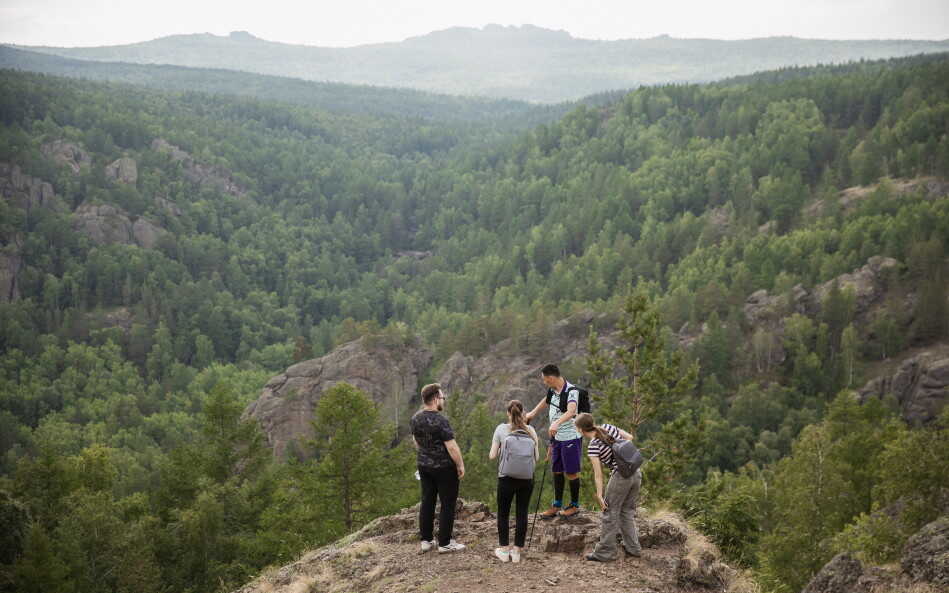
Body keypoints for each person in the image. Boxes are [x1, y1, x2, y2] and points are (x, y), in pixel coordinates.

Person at [573, 412, 642, 561]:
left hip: (621, 477)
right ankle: (634, 548)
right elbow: (629, 438)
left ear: (580, 430)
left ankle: (605, 552)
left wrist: (599, 495)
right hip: (636, 472)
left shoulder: (593, 446)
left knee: (610, 512)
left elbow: (598, 475)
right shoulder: (607, 427)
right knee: (626, 511)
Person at [410, 383, 466, 553]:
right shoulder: (441, 420)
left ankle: (426, 541)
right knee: (447, 504)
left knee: (427, 501)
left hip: (424, 466)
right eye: (442, 398)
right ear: (435, 399)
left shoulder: (415, 418)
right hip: (444, 468)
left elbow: (416, 442)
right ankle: (445, 543)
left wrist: (427, 454)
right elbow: (452, 447)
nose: (443, 401)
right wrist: (460, 464)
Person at [525, 364, 583, 518]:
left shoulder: (571, 391)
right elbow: (547, 400)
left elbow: (572, 411)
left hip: (570, 437)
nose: (545, 383)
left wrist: (557, 423)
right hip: (556, 438)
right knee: (556, 470)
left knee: (571, 472)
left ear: (551, 377)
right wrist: (533, 413)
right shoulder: (553, 390)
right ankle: (556, 505)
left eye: (545, 380)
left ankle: (574, 505)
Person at [489, 400, 539, 563]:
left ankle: (504, 550)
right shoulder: (530, 430)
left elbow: (492, 455)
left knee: (503, 513)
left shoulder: (501, 429)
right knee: (522, 513)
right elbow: (536, 457)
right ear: (523, 413)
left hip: (506, 478)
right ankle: (517, 552)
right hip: (526, 479)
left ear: (508, 413)